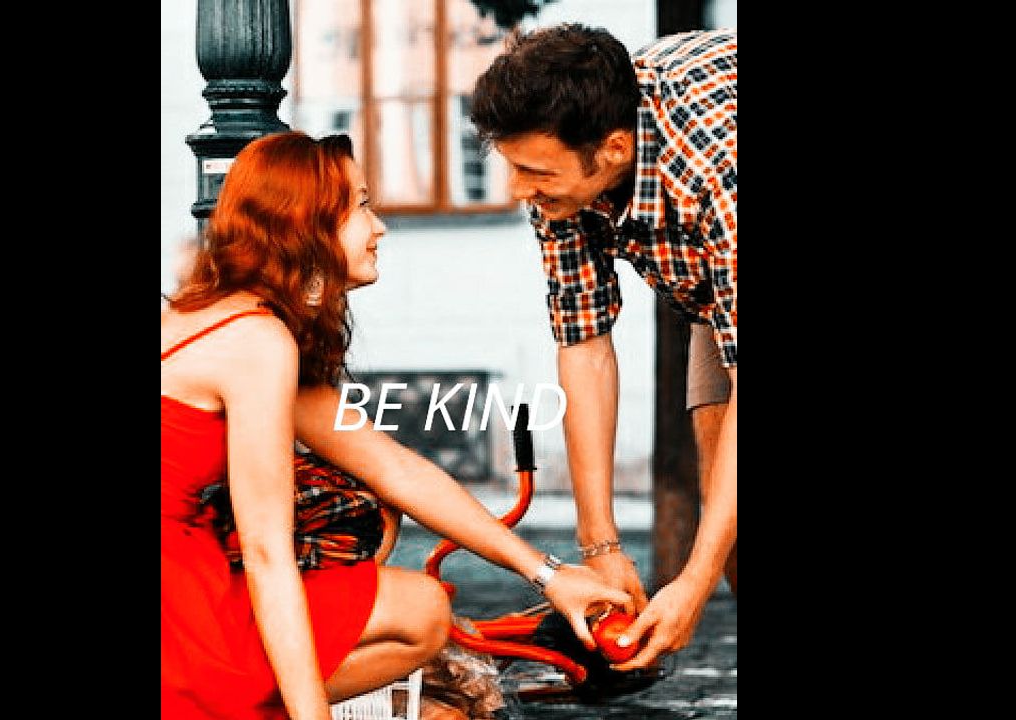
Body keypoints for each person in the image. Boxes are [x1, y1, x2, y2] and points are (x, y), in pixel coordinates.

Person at [161, 130, 631, 719]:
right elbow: (266, 552)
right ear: (306, 223)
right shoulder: (257, 341)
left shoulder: (229, 318)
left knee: (419, 601)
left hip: (185, 570)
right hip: (177, 600)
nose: (379, 226)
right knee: (416, 609)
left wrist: (549, 575)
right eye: (360, 205)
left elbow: (395, 469)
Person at [468, 24, 737, 671]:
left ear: (615, 149)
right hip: (717, 288)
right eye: (513, 166)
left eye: (534, 172)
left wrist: (693, 582)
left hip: (723, 225)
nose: (518, 190)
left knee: (712, 555)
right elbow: (584, 341)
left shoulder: (715, 166)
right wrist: (601, 547)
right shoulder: (562, 167)